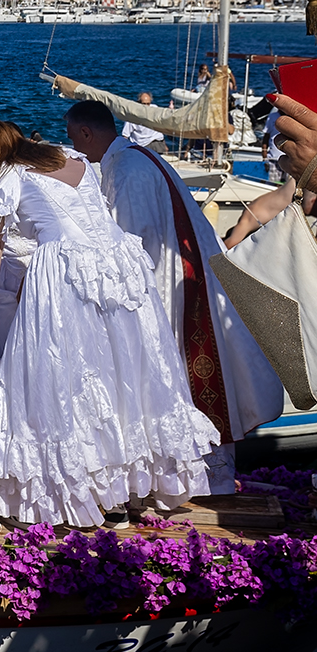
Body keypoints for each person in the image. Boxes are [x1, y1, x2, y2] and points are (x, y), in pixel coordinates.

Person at [0, 119, 218, 528]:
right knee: (125, 376)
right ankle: (126, 492)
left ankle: (90, 495)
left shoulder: (7, 178)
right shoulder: (71, 158)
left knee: (67, 380)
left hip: (66, 273)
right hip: (120, 266)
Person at [66, 100, 283, 492]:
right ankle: (205, 476)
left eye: (73, 139)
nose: (77, 151)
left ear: (85, 133)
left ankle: (200, 478)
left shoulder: (128, 170)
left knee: (182, 376)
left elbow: (135, 240)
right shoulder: (141, 157)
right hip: (194, 273)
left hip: (173, 288)